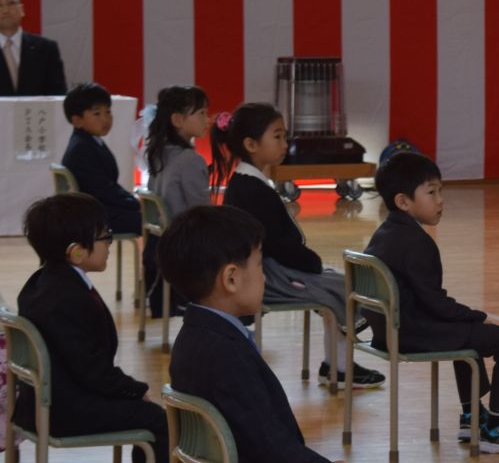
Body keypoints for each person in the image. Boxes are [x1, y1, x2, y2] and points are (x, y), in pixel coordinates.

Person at [161, 205, 407, 463]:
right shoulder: (224, 353)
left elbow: (264, 444)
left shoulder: (196, 335)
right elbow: (272, 447)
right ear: (231, 279)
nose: (264, 277)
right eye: (260, 266)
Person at [14, 193, 171, 463]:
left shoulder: (40, 283)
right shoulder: (66, 298)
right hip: (63, 411)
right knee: (158, 421)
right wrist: (137, 389)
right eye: (104, 237)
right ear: (76, 252)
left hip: (42, 403)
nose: (110, 243)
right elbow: (93, 372)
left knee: (146, 417)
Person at [364, 149, 499, 453]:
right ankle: (498, 425)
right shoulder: (417, 243)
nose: (440, 200)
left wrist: (469, 319)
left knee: (469, 336)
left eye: (441, 191)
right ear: (403, 201)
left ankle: (472, 417)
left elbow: (430, 302)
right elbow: (436, 304)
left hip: (389, 331)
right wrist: (476, 315)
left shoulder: (384, 233)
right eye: (431, 192)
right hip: (412, 332)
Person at [213, 102, 385, 389]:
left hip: (264, 270)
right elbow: (278, 245)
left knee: (336, 282)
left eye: (284, 135)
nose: (285, 143)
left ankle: (336, 366)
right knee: (344, 287)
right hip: (269, 276)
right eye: (277, 136)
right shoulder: (253, 189)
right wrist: (312, 263)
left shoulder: (245, 182)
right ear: (251, 144)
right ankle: (340, 369)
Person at [142, 84, 213, 314]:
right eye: (201, 113)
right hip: (185, 246)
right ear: (178, 120)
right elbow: (202, 214)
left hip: (159, 244)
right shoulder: (191, 160)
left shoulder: (158, 152)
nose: (208, 120)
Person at [60, 81, 141, 234]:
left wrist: (132, 199)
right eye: (97, 114)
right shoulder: (82, 149)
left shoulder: (89, 141)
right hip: (95, 216)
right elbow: (103, 190)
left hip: (100, 209)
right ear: (77, 120)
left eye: (108, 112)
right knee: (153, 221)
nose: (106, 119)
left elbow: (108, 186)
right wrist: (134, 202)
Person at [0, 0, 67, 97]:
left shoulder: (46, 49)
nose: (5, 10)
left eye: (10, 3)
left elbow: (57, 95)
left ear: (22, 9)